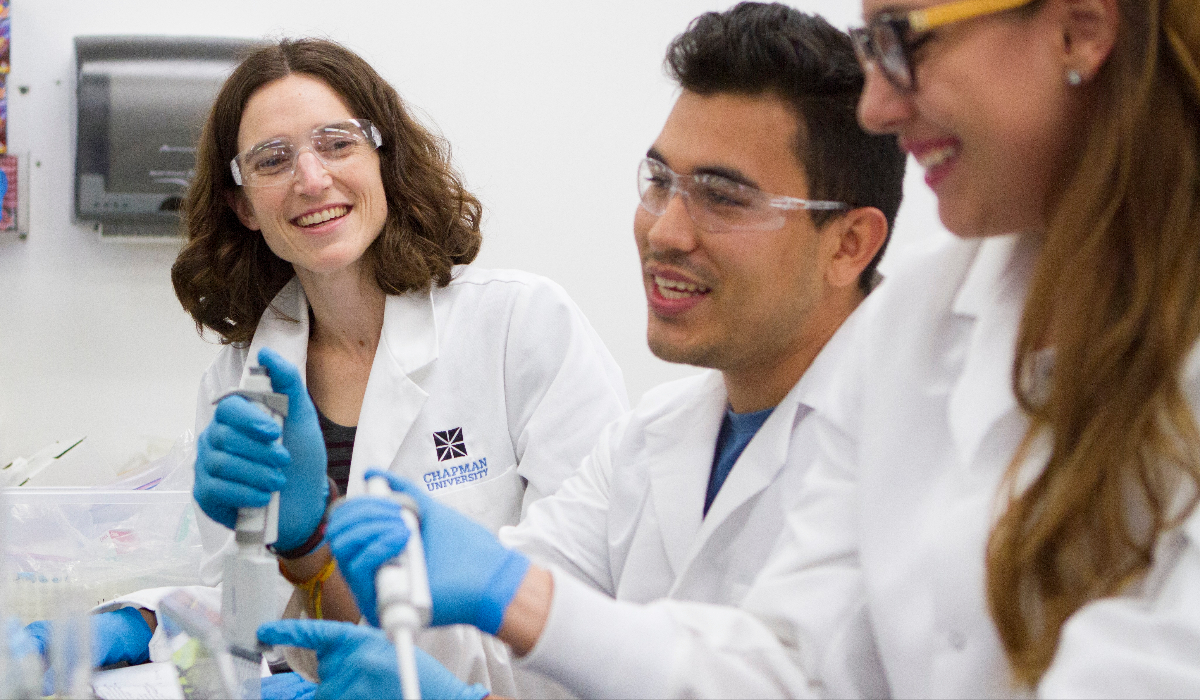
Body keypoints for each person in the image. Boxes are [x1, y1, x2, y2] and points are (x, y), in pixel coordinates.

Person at [282, 0, 1200, 697]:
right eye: (658, 181)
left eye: (903, 40)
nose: (880, 103)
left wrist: (505, 601)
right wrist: (338, 556)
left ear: (1082, 29)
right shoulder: (915, 324)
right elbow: (786, 665)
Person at [268, 4, 906, 697]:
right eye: (659, 182)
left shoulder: (911, 448)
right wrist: (309, 546)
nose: (665, 232)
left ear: (849, 244)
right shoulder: (651, 441)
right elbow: (493, 652)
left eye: (721, 197)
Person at [36, 37, 628, 695]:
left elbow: (591, 609)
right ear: (243, 205)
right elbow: (253, 619)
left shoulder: (522, 327)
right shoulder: (238, 387)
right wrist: (144, 615)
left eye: (337, 143)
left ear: (385, 159)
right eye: (272, 159)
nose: (311, 179)